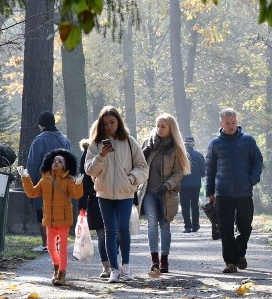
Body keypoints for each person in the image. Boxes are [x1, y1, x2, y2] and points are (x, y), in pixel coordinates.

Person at [84, 106, 147, 283]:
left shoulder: (129, 141)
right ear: (101, 125)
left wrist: (132, 179)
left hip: (125, 193)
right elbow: (89, 170)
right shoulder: (96, 144)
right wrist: (101, 156)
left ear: (118, 121)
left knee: (123, 229)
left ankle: (126, 266)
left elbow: (143, 166)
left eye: (112, 122)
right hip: (104, 194)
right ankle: (114, 269)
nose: (109, 126)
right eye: (105, 124)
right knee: (109, 231)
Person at [205, 108, 263, 273]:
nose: (230, 126)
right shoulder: (215, 144)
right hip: (223, 192)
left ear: (237, 122)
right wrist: (210, 191)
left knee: (246, 226)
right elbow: (210, 169)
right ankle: (230, 262)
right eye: (227, 123)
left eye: (233, 123)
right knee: (226, 228)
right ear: (221, 124)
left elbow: (258, 161)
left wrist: (251, 180)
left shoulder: (248, 140)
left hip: (244, 191)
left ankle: (240, 253)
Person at [18, 149, 83, 286]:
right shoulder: (45, 179)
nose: (56, 163)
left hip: (64, 219)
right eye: (54, 161)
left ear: (66, 165)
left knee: (63, 246)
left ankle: (62, 274)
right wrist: (25, 178)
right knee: (50, 246)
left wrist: (78, 185)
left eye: (60, 161)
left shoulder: (69, 180)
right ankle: (56, 267)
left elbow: (76, 195)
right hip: (49, 218)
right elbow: (32, 193)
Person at [137, 114, 190, 277]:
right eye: (158, 126)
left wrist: (167, 185)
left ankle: (164, 258)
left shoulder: (175, 148)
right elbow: (138, 164)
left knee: (164, 225)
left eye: (163, 126)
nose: (159, 129)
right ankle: (154, 261)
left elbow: (178, 173)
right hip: (148, 192)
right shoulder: (148, 144)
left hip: (166, 194)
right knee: (152, 223)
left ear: (170, 128)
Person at [26, 111, 71, 252]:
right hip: (63, 182)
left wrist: (30, 183)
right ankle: (58, 242)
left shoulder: (39, 140)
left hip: (45, 182)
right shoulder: (64, 140)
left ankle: (46, 243)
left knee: (42, 212)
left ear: (41, 125)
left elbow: (32, 164)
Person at [78, 140, 108, 278]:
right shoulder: (88, 153)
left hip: (115, 196)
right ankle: (106, 265)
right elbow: (83, 180)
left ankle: (113, 260)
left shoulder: (117, 147)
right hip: (95, 198)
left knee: (116, 234)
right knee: (102, 233)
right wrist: (82, 205)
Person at [180, 135, 206, 233]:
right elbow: (203, 172)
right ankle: (195, 226)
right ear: (193, 144)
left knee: (185, 206)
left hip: (183, 184)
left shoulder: (181, 156)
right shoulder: (199, 156)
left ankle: (187, 226)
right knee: (195, 205)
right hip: (196, 184)